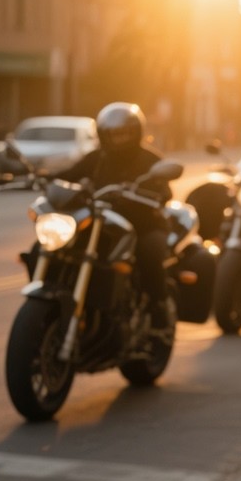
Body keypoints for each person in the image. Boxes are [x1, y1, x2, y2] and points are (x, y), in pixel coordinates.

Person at [56, 101, 173, 328]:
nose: (119, 139)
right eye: (113, 134)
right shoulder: (97, 157)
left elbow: (165, 191)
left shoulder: (150, 160)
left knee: (150, 255)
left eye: (124, 134)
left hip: (143, 225)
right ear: (103, 135)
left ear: (136, 132)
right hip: (102, 222)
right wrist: (43, 177)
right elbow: (69, 175)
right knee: (63, 247)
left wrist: (147, 192)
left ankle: (159, 309)